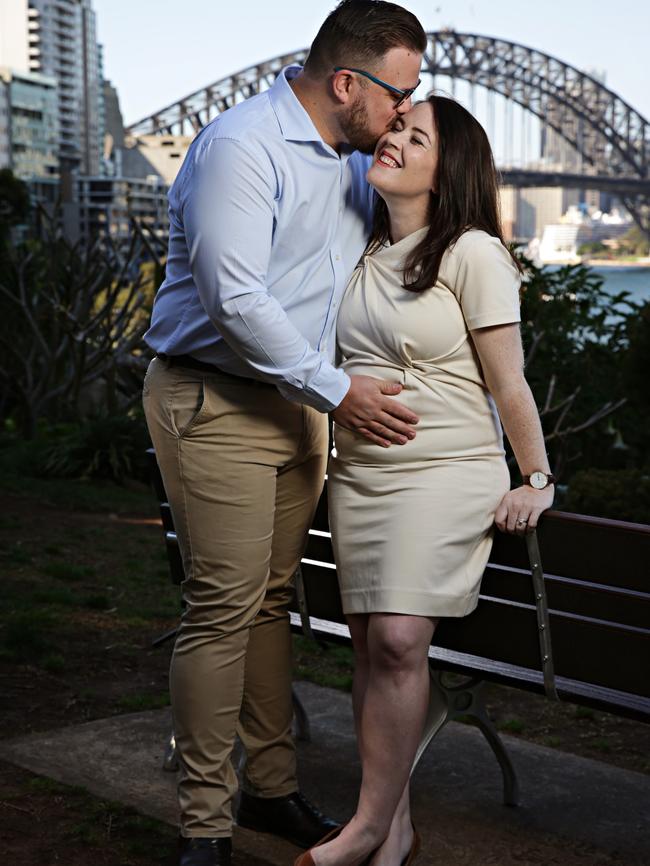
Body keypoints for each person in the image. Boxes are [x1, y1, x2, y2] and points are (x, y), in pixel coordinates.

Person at [142, 3, 427, 864]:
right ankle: (203, 826)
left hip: (299, 404)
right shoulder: (241, 147)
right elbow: (236, 303)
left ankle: (269, 791)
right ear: (347, 83)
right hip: (217, 400)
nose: (406, 113)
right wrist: (338, 393)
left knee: (269, 602)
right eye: (399, 95)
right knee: (222, 610)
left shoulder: (350, 160)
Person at [297, 96, 555, 866]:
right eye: (395, 130)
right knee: (375, 647)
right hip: (366, 476)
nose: (395, 142)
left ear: (451, 171)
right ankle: (396, 826)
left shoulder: (472, 252)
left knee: (403, 639)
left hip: (445, 472)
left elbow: (508, 384)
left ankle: (366, 827)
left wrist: (537, 476)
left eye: (418, 138)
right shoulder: (362, 252)